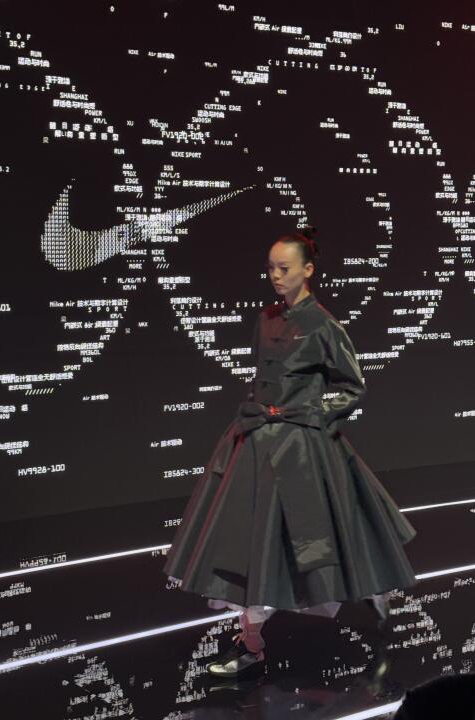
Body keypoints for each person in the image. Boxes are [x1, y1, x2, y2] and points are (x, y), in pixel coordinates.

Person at [162, 227, 418, 678]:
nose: (276, 276)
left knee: (329, 539)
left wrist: (312, 415)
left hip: (303, 449)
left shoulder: (324, 325)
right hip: (254, 443)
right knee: (248, 546)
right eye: (271, 268)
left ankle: (375, 606)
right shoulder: (265, 318)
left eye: (284, 268)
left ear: (308, 269)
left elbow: (352, 386)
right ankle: (252, 643)